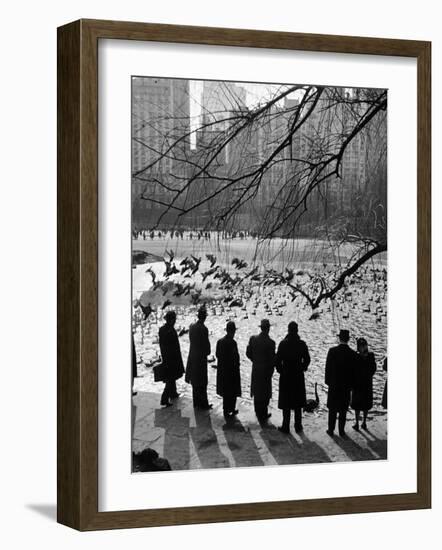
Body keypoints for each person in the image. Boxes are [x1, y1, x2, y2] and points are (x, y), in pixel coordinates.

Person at [275, 321, 311, 434]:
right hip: (298, 375)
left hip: (286, 375)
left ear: (288, 330)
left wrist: (281, 370)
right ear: (297, 330)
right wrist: (303, 367)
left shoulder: (283, 343)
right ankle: (298, 426)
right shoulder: (302, 344)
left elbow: (277, 360)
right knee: (298, 402)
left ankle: (286, 426)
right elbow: (307, 359)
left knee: (286, 402)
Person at [325, 329, 357, 438]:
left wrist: (328, 382)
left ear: (339, 338)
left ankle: (330, 429)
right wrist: (352, 386)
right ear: (348, 339)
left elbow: (327, 369)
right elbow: (353, 373)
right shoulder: (353, 354)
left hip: (334, 385)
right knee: (343, 409)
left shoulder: (332, 351)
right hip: (346, 387)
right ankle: (341, 431)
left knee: (332, 409)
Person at [246, 319, 276, 423]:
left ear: (261, 328)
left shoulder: (253, 339)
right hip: (266, 371)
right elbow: (272, 360)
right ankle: (263, 414)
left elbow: (248, 353)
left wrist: (254, 360)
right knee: (265, 392)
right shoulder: (271, 343)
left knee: (257, 391)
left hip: (256, 369)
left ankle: (257, 411)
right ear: (268, 329)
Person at [185, 306, 212, 409]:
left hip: (192, 356)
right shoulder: (204, 329)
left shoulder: (192, 327)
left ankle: (196, 402)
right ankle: (203, 404)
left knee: (195, 381)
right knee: (202, 382)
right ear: (204, 317)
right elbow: (207, 347)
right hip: (201, 358)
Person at [216, 321, 241, 421]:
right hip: (232, 370)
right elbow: (235, 357)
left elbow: (217, 354)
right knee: (233, 391)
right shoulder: (233, 343)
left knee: (226, 391)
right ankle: (231, 408)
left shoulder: (220, 341)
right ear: (233, 331)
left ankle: (226, 409)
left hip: (223, 369)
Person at [158, 310, 184, 407]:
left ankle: (173, 393)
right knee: (170, 378)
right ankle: (164, 398)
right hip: (172, 358)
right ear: (172, 320)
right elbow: (174, 347)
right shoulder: (171, 331)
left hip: (166, 357)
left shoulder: (162, 329)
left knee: (171, 377)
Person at [351, 337, 376, 431]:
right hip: (366, 384)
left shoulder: (356, 356)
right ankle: (361, 422)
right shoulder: (370, 355)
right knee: (363, 404)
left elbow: (352, 370)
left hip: (359, 384)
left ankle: (360, 422)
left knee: (360, 404)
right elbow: (373, 369)